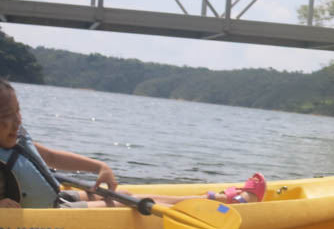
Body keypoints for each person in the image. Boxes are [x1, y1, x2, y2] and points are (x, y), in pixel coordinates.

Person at [0, 79, 265, 208]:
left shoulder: (16, 137)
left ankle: (217, 201)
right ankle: (229, 204)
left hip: (58, 200)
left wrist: (99, 166)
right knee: (126, 200)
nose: (17, 121)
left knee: (125, 194)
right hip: (51, 217)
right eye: (7, 116)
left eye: (18, 111)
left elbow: (54, 158)